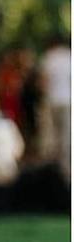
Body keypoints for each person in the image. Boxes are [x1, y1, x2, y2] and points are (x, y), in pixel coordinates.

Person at [41, 39, 71, 178]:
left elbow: (44, 81)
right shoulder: (70, 57)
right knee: (66, 134)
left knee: (53, 135)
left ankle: (54, 168)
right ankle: (66, 167)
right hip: (68, 100)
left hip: (52, 100)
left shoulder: (49, 58)